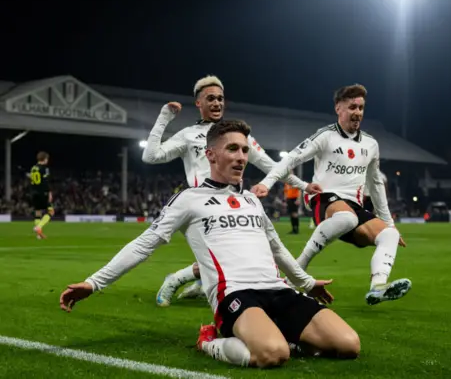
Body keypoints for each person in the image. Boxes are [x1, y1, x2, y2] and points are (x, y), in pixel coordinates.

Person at [59, 120, 360, 368]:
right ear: (211, 155)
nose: (242, 157)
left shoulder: (252, 200)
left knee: (348, 345)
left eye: (245, 149)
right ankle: (209, 341)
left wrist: (306, 284)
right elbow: (143, 245)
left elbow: (277, 249)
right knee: (273, 354)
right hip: (235, 295)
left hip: (278, 290)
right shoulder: (189, 200)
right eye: (232, 148)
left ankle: (278, 333)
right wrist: (93, 283)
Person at [141, 75, 319, 306]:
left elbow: (271, 166)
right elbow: (151, 156)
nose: (217, 103)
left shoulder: (238, 136)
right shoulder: (188, 134)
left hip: (235, 203)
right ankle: (177, 280)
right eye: (211, 99)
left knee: (241, 256)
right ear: (199, 103)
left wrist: (304, 186)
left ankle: (198, 282)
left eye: (220, 99)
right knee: (230, 258)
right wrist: (164, 117)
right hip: (202, 206)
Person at [252, 84, 411, 306]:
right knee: (348, 218)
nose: (357, 112)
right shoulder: (325, 136)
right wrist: (266, 183)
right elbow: (291, 159)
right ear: (338, 108)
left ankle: (378, 287)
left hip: (353, 208)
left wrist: (389, 224)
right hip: (323, 199)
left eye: (361, 108)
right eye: (352, 107)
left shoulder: (371, 144)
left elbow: (375, 184)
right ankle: (296, 270)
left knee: (389, 236)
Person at [30, 151, 54, 239]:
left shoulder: (33, 168)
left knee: (38, 212)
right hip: (42, 192)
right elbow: (46, 181)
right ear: (45, 159)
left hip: (33, 192)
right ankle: (38, 227)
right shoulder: (45, 168)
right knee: (51, 211)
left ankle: (39, 235)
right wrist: (49, 193)